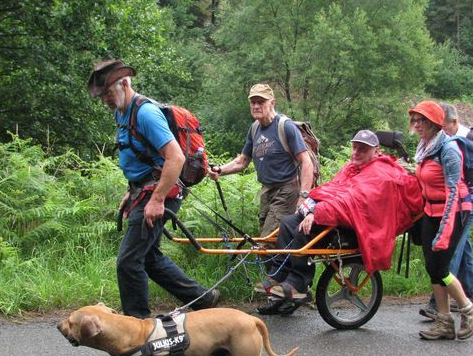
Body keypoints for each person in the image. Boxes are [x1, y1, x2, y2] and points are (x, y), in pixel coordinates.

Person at [87, 59, 219, 319]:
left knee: (128, 262)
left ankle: (136, 325)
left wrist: (157, 200)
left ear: (124, 84)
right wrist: (132, 189)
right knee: (148, 258)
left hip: (161, 192)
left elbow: (176, 158)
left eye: (108, 93)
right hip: (144, 190)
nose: (106, 100)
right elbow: (139, 156)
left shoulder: (146, 114)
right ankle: (203, 298)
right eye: (102, 96)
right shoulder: (122, 112)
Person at [255, 129, 423, 315]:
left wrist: (316, 212)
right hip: (336, 216)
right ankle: (279, 275)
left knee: (302, 230)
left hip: (355, 227)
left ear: (376, 151)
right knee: (288, 222)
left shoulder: (380, 174)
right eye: (355, 147)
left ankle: (298, 284)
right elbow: (332, 190)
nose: (356, 152)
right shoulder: (352, 167)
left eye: (363, 149)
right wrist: (310, 205)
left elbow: (352, 202)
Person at [419, 103, 473, 320]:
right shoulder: (429, 145)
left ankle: (439, 304)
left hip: (469, 200)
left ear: (451, 122)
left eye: (442, 124)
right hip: (443, 203)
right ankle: (471, 297)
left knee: (450, 251)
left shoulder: (467, 140)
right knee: (463, 248)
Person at [409, 100, 473, 339]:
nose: (417, 125)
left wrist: (444, 231)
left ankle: (468, 309)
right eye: (415, 120)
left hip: (452, 213)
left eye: (422, 120)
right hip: (431, 212)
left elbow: (453, 192)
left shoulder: (449, 149)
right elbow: (426, 178)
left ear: (434, 123)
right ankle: (444, 321)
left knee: (441, 267)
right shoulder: (425, 147)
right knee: (432, 268)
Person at [208, 83, 314, 244]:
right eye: (253, 102)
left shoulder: (285, 126)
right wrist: (220, 170)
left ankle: (280, 268)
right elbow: (242, 161)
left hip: (287, 190)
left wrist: (304, 196)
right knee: (270, 241)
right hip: (267, 192)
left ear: (272, 102)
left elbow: (306, 162)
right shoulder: (254, 129)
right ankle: (283, 268)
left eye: (261, 102)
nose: (256, 106)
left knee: (266, 241)